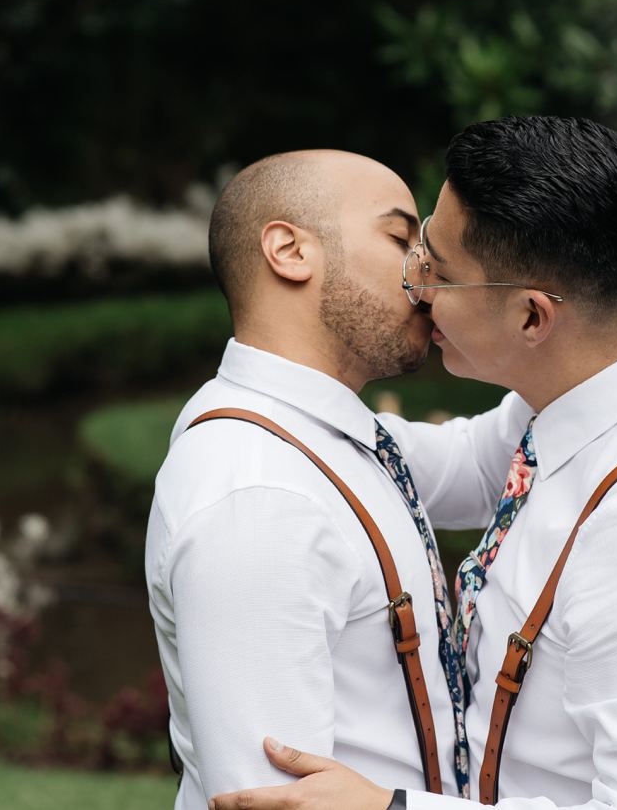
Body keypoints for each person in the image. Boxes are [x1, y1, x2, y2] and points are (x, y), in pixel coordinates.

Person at [212, 116, 617, 810]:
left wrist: (390, 808)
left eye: (439, 272)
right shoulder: (583, 398)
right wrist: (250, 404)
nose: (416, 285)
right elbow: (435, 465)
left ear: (533, 318)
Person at [146, 149, 537, 809]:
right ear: (289, 251)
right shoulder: (260, 494)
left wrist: (589, 332)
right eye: (401, 239)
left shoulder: (322, 435)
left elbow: (483, 465)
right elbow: (273, 803)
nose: (427, 273)